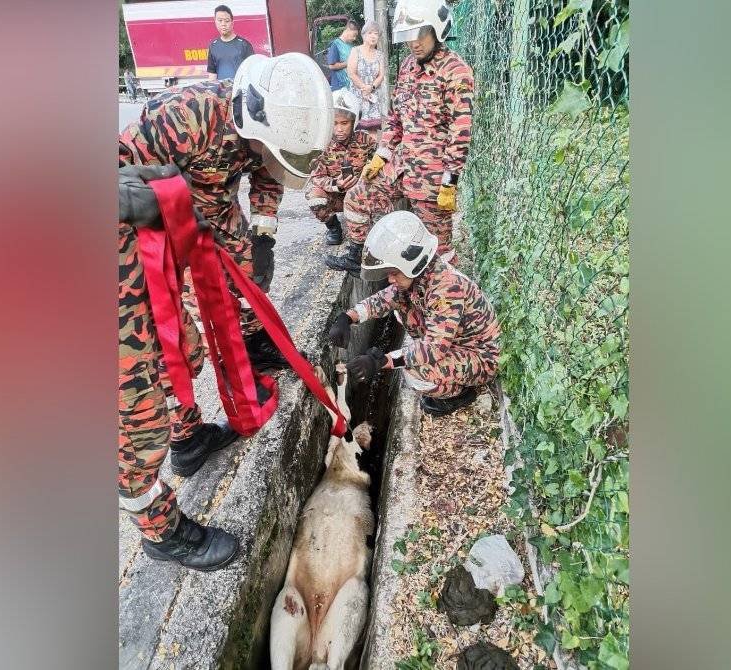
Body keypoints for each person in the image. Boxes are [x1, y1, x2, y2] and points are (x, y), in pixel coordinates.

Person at [118, 53, 334, 570]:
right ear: (247, 118)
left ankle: (188, 438)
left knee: (185, 349)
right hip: (130, 249)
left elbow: (269, 173)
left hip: (199, 223)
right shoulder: (185, 115)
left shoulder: (270, 121)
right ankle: (161, 531)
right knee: (137, 406)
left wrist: (264, 230)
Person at [326, 0, 473, 275]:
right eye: (408, 36)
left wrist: (450, 180)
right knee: (358, 197)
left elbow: (460, 130)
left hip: (432, 177)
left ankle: (449, 293)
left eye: (421, 34)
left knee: (437, 250)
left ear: (437, 30)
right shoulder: (407, 66)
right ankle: (357, 256)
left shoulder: (456, 71)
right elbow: (395, 119)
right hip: (400, 165)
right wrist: (380, 156)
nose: (414, 43)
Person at [328, 211, 500, 416]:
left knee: (414, 373)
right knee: (400, 308)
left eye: (394, 273)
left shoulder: (446, 289)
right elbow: (384, 299)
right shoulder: (420, 275)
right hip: (455, 342)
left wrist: (382, 361)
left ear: (412, 264)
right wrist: (348, 317)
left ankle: (458, 394)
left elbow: (433, 349)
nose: (390, 279)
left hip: (481, 357)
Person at [305, 89, 378, 246]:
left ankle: (367, 226)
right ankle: (333, 227)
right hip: (336, 196)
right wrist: (336, 185)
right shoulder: (321, 144)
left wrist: (364, 179)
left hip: (361, 195)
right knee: (314, 196)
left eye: (344, 123)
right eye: (334, 123)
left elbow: (379, 164)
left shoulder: (366, 140)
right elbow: (317, 177)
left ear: (354, 122)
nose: (339, 129)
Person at [346, 21, 387, 130]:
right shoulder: (356, 51)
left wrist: (371, 87)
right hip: (357, 95)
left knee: (373, 129)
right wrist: (364, 87)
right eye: (370, 33)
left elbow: (381, 75)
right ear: (363, 35)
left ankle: (372, 143)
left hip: (373, 96)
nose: (373, 36)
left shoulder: (380, 55)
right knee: (356, 128)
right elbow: (351, 73)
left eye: (376, 34)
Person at [207, 4, 254, 81]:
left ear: (232, 22)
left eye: (227, 21)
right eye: (220, 20)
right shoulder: (213, 46)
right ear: (215, 22)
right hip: (221, 88)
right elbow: (212, 74)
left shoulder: (244, 45)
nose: (223, 24)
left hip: (239, 88)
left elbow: (252, 72)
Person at [326, 20, 359, 91]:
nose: (355, 38)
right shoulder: (335, 44)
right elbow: (331, 66)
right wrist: (349, 63)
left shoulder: (351, 46)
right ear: (348, 30)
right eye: (354, 35)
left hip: (351, 87)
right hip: (340, 87)